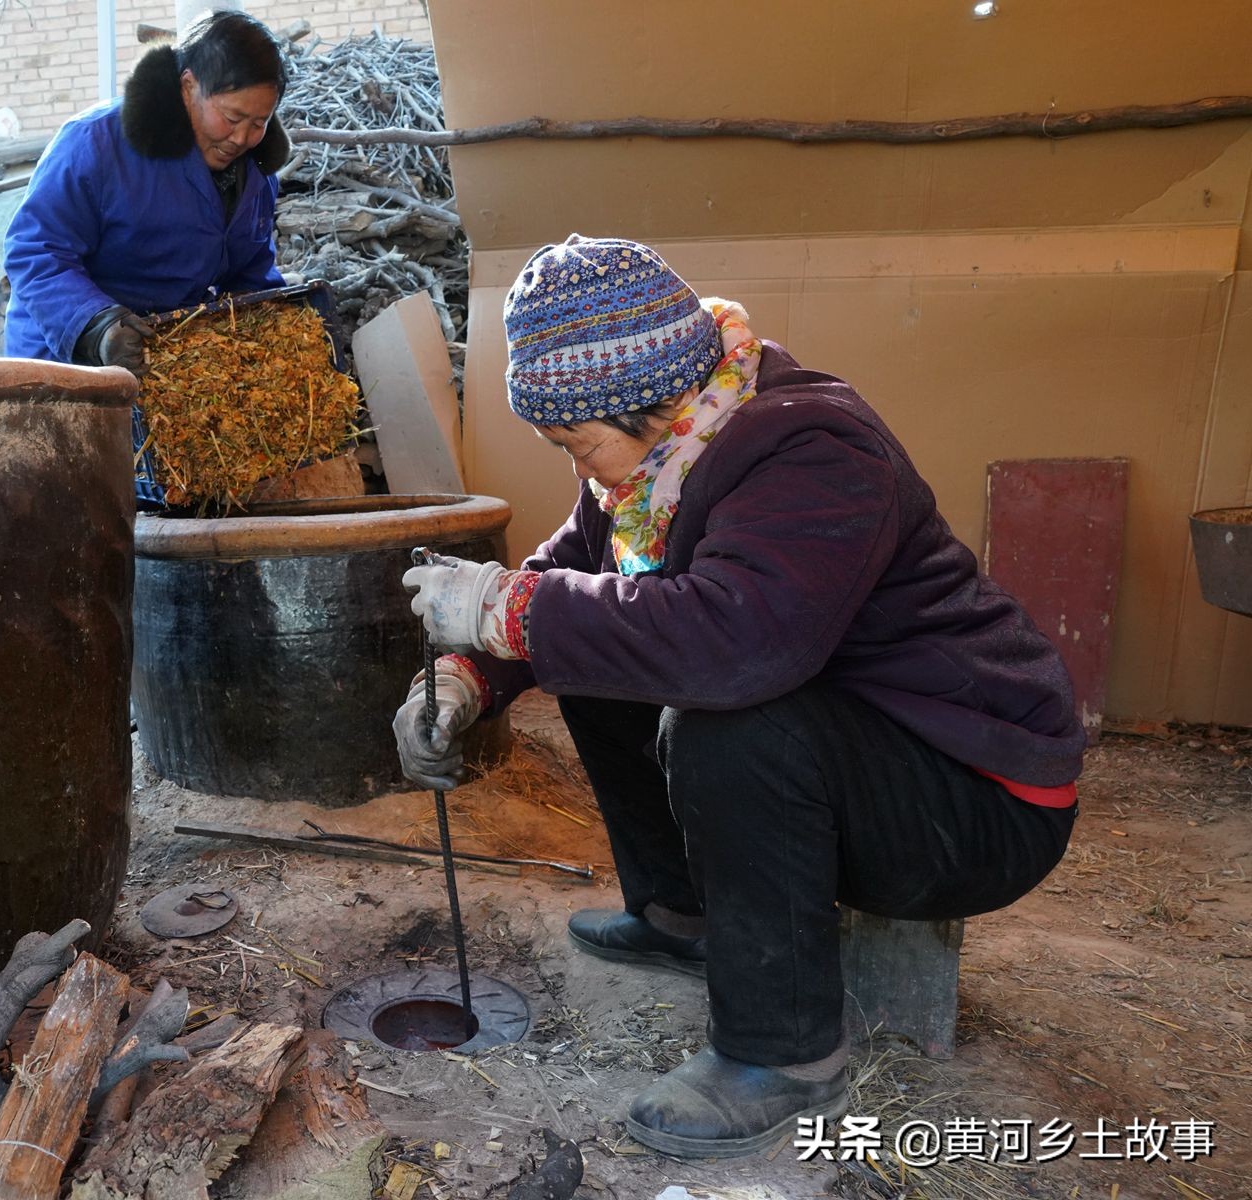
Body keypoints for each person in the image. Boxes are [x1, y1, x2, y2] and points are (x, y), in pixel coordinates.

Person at [393, 235, 1081, 1159]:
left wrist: (507, 611)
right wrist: (468, 672)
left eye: (579, 443)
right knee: (601, 651)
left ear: (651, 401)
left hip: (974, 793)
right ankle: (684, 913)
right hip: (870, 743)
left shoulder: (814, 447)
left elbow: (745, 645)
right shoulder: (657, 461)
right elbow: (571, 578)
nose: (581, 470)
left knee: (732, 718)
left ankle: (782, 1051)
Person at [2, 9, 289, 503]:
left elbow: (250, 272)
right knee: (71, 518)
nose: (242, 138)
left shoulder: (253, 176)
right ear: (187, 86)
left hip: (161, 374)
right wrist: (97, 326)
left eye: (259, 122)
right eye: (233, 117)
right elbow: (36, 251)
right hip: (64, 366)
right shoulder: (96, 143)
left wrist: (274, 334)